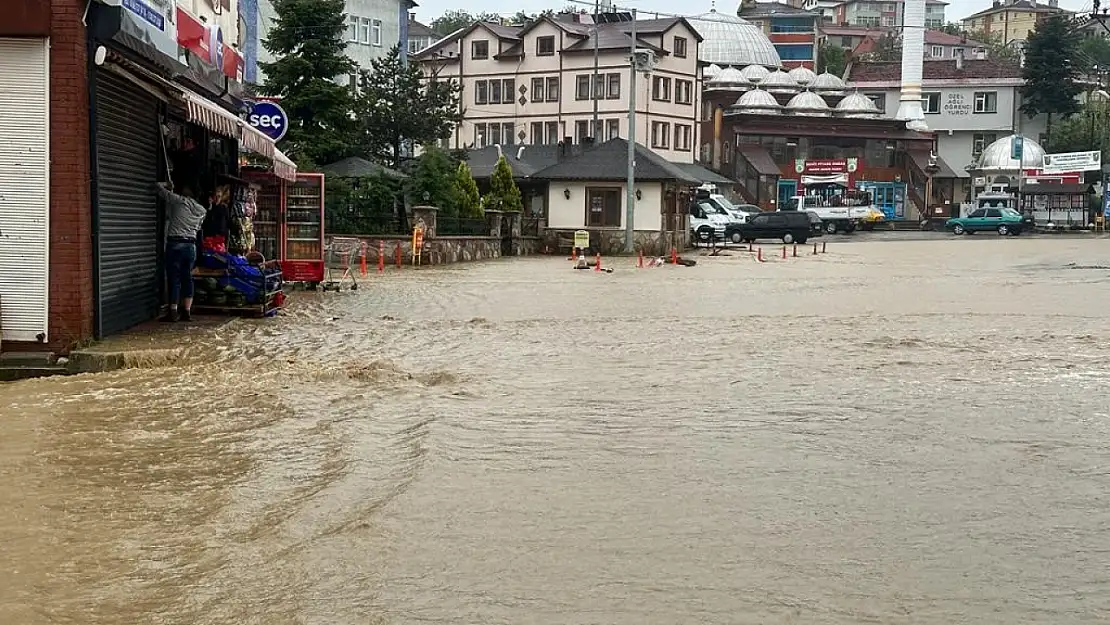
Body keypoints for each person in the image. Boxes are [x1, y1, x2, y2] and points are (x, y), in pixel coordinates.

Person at [156, 181, 209, 322]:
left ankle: (173, 311)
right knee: (188, 278)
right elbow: (197, 228)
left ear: (188, 190)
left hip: (175, 244)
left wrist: (166, 184)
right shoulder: (202, 210)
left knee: (174, 278)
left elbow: (157, 188)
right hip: (191, 246)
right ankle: (187, 311)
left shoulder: (178, 201)